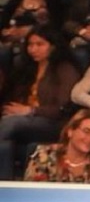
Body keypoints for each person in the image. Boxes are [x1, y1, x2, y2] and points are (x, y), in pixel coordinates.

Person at [0, 25, 80, 180]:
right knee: (5, 141)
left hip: (54, 122)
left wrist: (30, 111)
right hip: (25, 122)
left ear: (53, 46)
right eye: (30, 45)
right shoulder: (25, 68)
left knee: (11, 123)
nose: (33, 49)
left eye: (39, 44)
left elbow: (63, 108)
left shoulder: (65, 69)